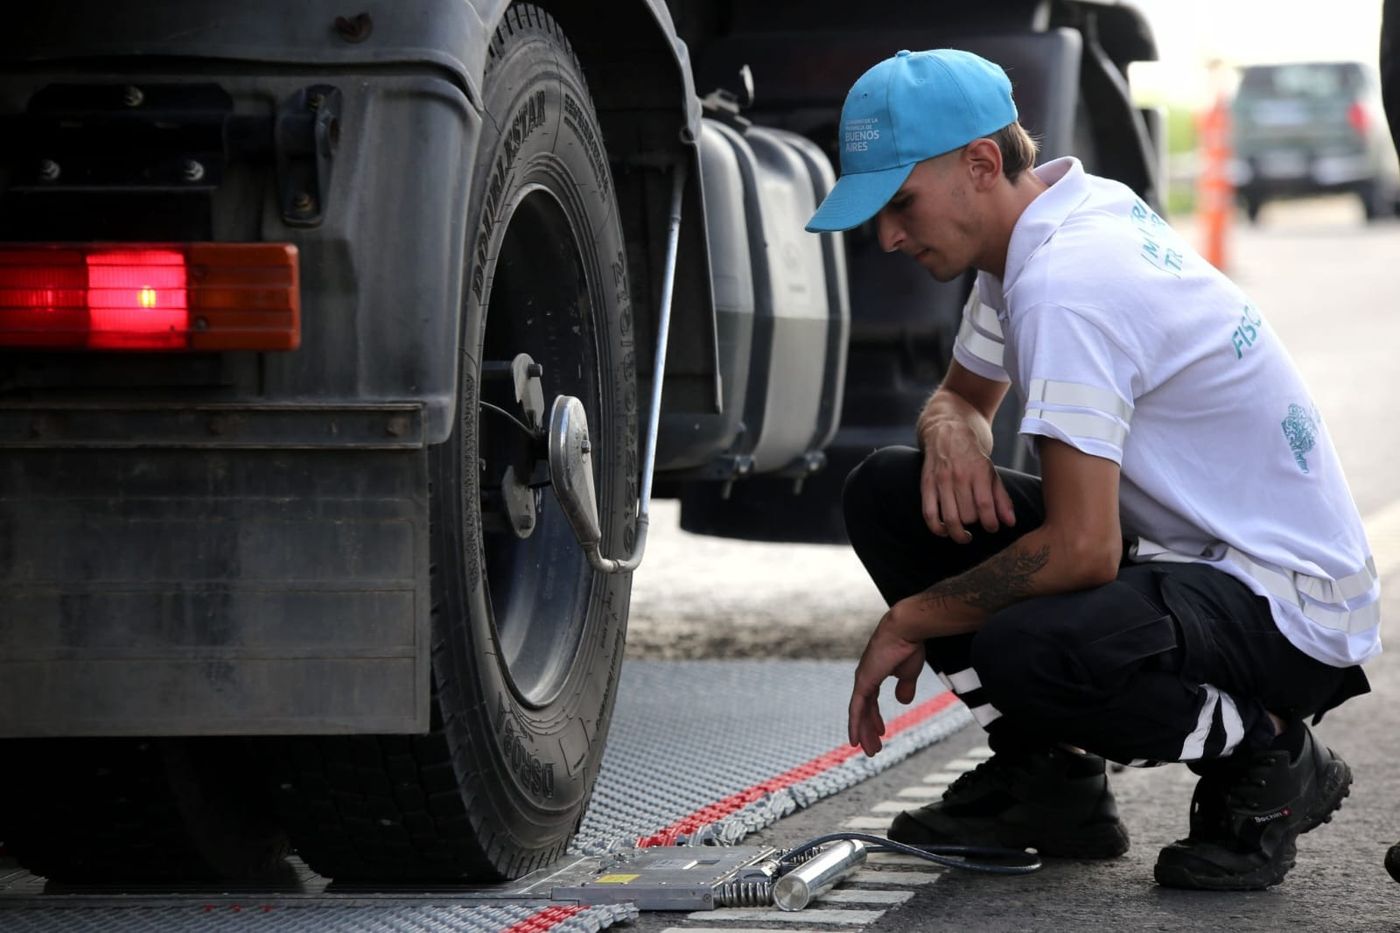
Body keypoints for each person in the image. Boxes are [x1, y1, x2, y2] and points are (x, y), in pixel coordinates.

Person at [806, 48, 1379, 891]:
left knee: (1031, 647)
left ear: (981, 163)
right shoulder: (1050, 221)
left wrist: (914, 617)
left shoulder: (1069, 284)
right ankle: (1052, 783)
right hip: (1193, 555)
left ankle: (1271, 754)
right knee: (893, 494)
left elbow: (1083, 550)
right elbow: (964, 395)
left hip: (1286, 602)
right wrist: (951, 420)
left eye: (900, 203)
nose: (887, 236)